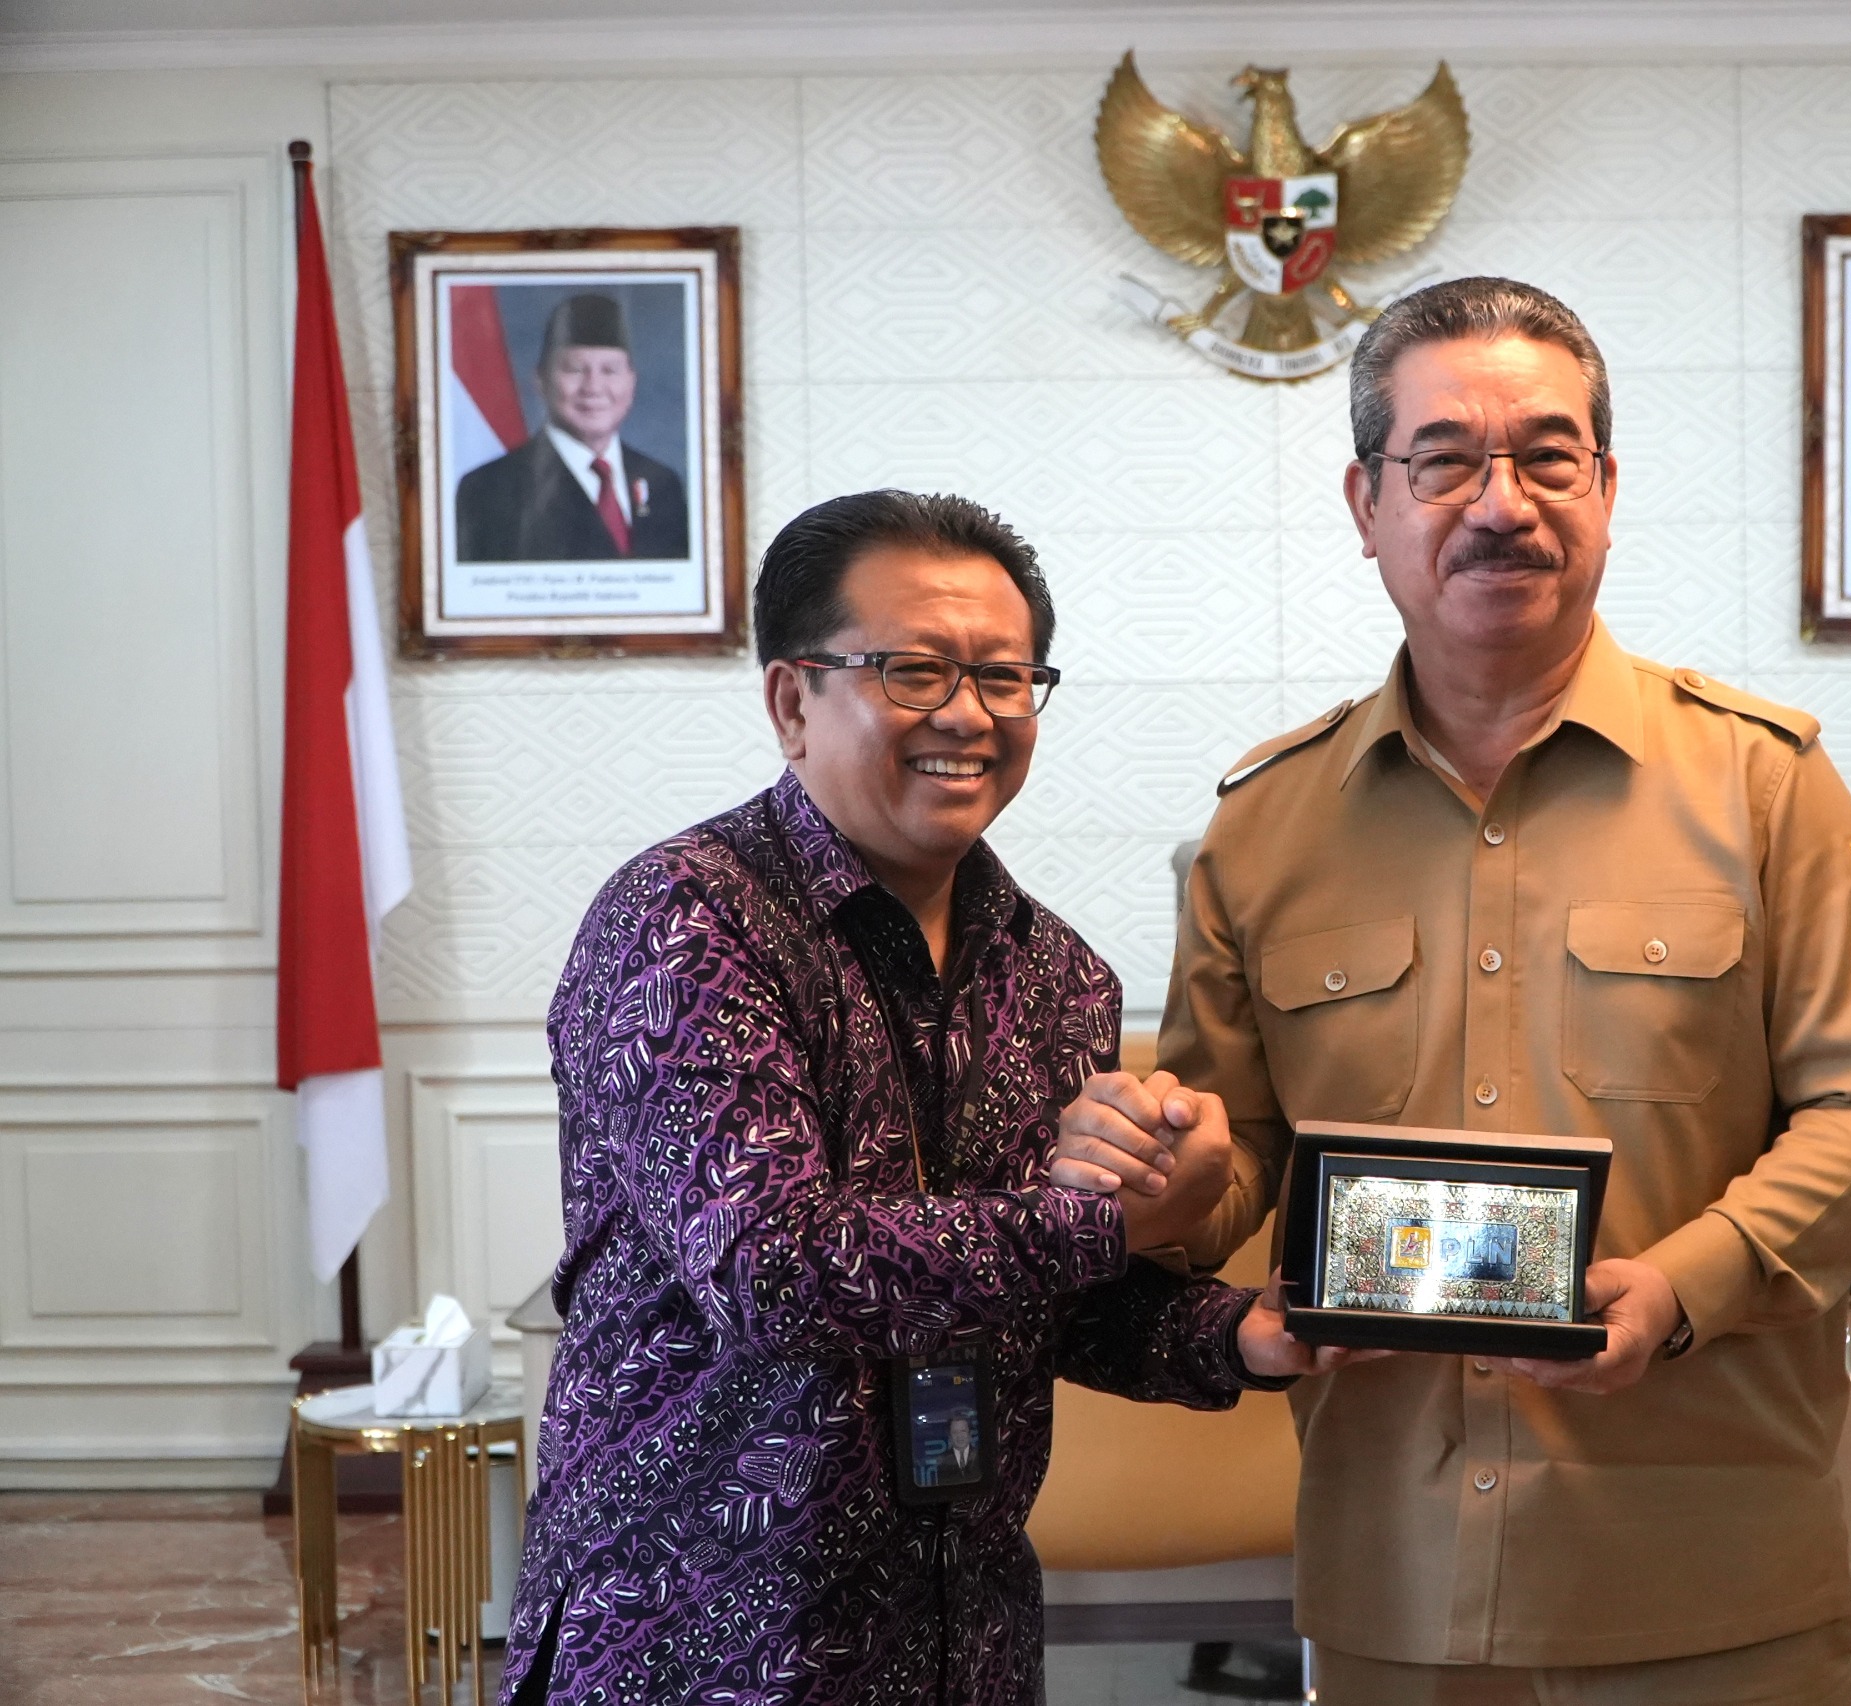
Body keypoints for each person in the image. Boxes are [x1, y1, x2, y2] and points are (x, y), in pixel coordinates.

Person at [1058, 278, 1851, 1703]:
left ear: (1606, 489)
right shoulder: (1264, 825)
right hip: (1393, 1579)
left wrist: (1681, 1285)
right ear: (1366, 502)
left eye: (1547, 457)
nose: (1501, 503)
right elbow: (1235, 1168)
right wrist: (1167, 1178)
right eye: (1443, 461)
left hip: (1703, 1571)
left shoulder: (1766, 785)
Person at [502, 490, 1325, 1706]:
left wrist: (1239, 1334)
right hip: (694, 1635)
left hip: (961, 1637)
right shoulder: (687, 920)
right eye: (914, 670)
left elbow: (1036, 1298)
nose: (968, 714)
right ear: (792, 701)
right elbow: (770, 1267)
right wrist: (1098, 1223)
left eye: (1004, 676)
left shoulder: (1056, 973)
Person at [453, 292, 691, 562]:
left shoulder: (662, 485)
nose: (593, 387)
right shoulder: (489, 490)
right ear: (540, 380)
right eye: (574, 369)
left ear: (631, 382)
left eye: (610, 370)